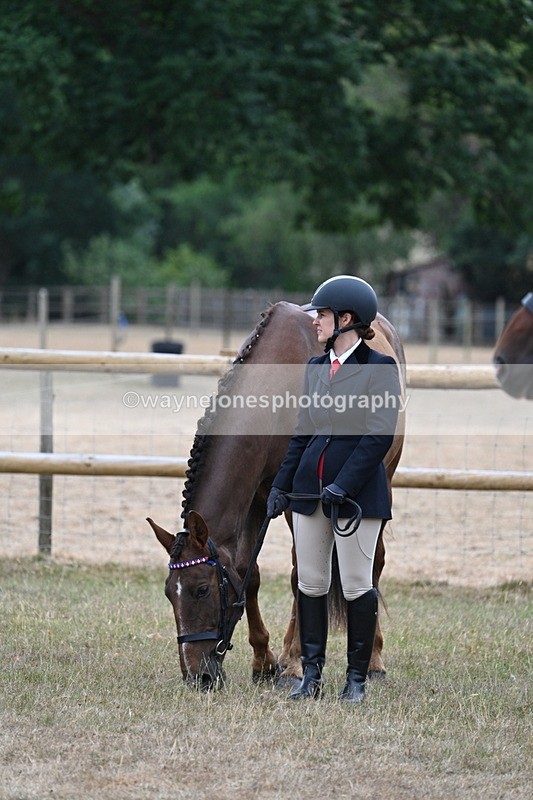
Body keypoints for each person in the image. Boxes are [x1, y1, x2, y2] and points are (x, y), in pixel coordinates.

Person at [267, 275, 401, 703]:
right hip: (310, 494)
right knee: (311, 583)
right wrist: (281, 486)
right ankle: (311, 677)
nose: (315, 323)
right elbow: (303, 434)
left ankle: (356, 681)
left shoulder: (380, 369)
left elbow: (378, 437)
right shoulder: (314, 368)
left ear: (346, 319)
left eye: (322, 316)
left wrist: (343, 485)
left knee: (359, 585)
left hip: (359, 495)